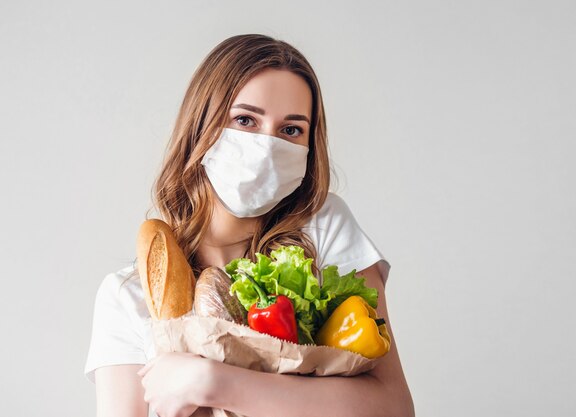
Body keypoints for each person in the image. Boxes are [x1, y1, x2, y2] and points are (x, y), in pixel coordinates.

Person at [84, 33, 414, 417]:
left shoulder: (323, 228)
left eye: (291, 130)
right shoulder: (128, 296)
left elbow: (392, 408)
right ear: (200, 128)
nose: (266, 148)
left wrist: (214, 383)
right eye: (245, 120)